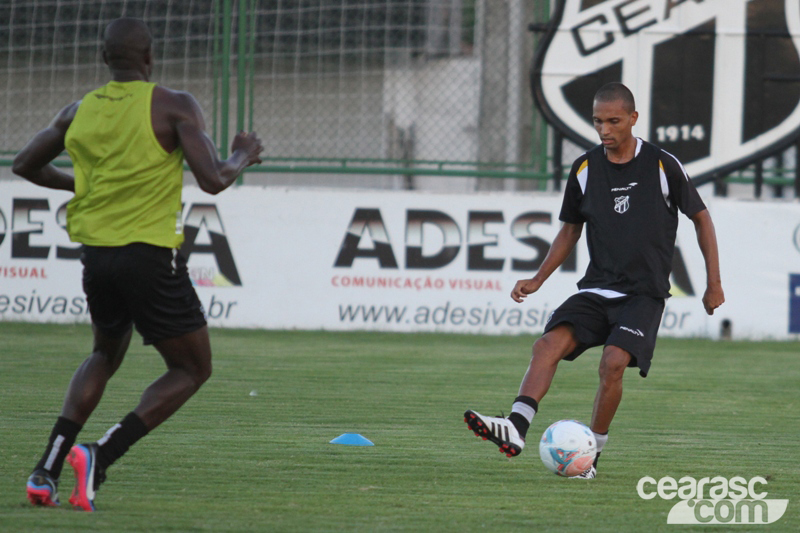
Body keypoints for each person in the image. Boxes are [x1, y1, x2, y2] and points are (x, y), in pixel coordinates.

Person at [14, 18, 263, 510]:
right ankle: (100, 455)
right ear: (150, 58)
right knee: (192, 368)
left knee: (104, 355)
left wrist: (81, 186)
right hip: (149, 256)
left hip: (97, 258)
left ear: (105, 59)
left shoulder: (77, 111)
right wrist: (242, 154)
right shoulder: (174, 105)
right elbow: (213, 180)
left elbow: (24, 164)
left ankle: (46, 469)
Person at [464, 82, 724, 478]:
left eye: (614, 121)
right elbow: (569, 231)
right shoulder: (585, 168)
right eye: (598, 121)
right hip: (597, 288)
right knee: (546, 344)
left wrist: (713, 283)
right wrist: (537, 279)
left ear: (633, 119)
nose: (604, 129)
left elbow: (702, 219)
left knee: (613, 363)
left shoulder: (661, 164)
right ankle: (515, 428)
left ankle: (592, 455)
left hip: (643, 293)